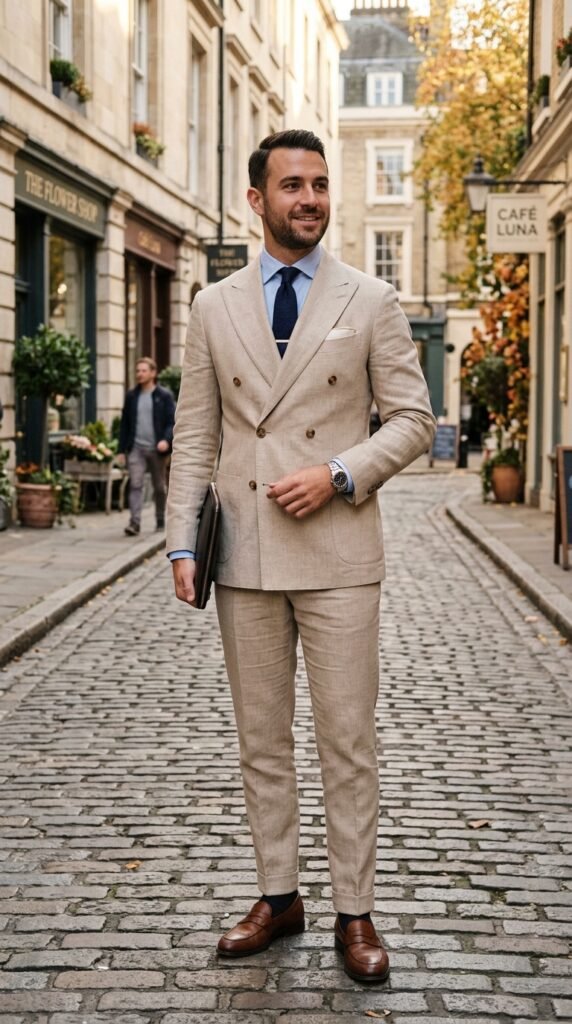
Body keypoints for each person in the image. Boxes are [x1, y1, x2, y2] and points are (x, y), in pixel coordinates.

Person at [167, 130, 435, 983]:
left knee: (348, 740)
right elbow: (198, 431)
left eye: (320, 184)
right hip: (244, 554)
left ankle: (354, 910)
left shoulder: (371, 299)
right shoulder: (214, 306)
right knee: (261, 741)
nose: (310, 198)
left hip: (340, 554)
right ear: (258, 200)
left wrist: (340, 471)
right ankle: (279, 896)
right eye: (293, 185)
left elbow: (414, 421)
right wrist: (181, 539)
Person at [118, 356, 175, 535]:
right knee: (135, 484)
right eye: (137, 370)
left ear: (153, 373)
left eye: (143, 370)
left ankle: (159, 519)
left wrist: (166, 439)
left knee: (159, 487)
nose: (139, 374)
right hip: (136, 448)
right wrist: (121, 450)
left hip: (157, 449)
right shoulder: (131, 396)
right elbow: (125, 424)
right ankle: (134, 523)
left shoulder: (164, 396)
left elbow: (172, 422)